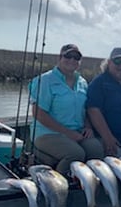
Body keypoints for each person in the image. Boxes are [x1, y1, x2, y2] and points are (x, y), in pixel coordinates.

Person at [29, 44, 104, 174]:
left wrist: (88, 127)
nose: (72, 60)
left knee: (97, 149)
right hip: (47, 133)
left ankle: (89, 185)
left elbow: (85, 109)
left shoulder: (82, 82)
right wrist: (67, 133)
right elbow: (38, 113)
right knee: (75, 154)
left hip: (77, 132)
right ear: (60, 57)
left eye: (76, 57)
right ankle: (58, 187)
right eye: (68, 56)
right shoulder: (45, 80)